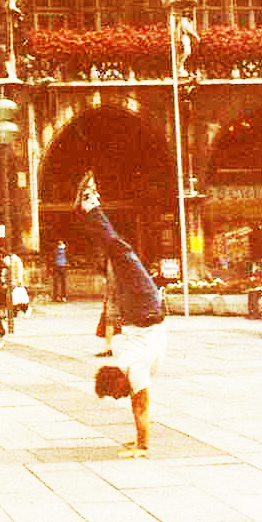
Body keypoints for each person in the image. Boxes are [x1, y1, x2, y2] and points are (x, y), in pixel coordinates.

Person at [76, 172, 166, 458]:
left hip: (143, 308)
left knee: (120, 252)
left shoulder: (133, 369)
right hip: (140, 309)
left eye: (115, 393)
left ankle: (90, 206)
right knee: (116, 253)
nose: (120, 397)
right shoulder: (125, 362)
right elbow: (139, 404)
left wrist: (142, 446)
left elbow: (141, 406)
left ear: (117, 380)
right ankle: (89, 209)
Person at [5, 248, 29, 318]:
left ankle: (25, 310)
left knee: (17, 298)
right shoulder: (6, 258)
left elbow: (19, 270)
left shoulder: (16, 259)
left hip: (15, 281)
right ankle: (14, 312)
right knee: (13, 298)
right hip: (9, 281)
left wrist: (19, 280)